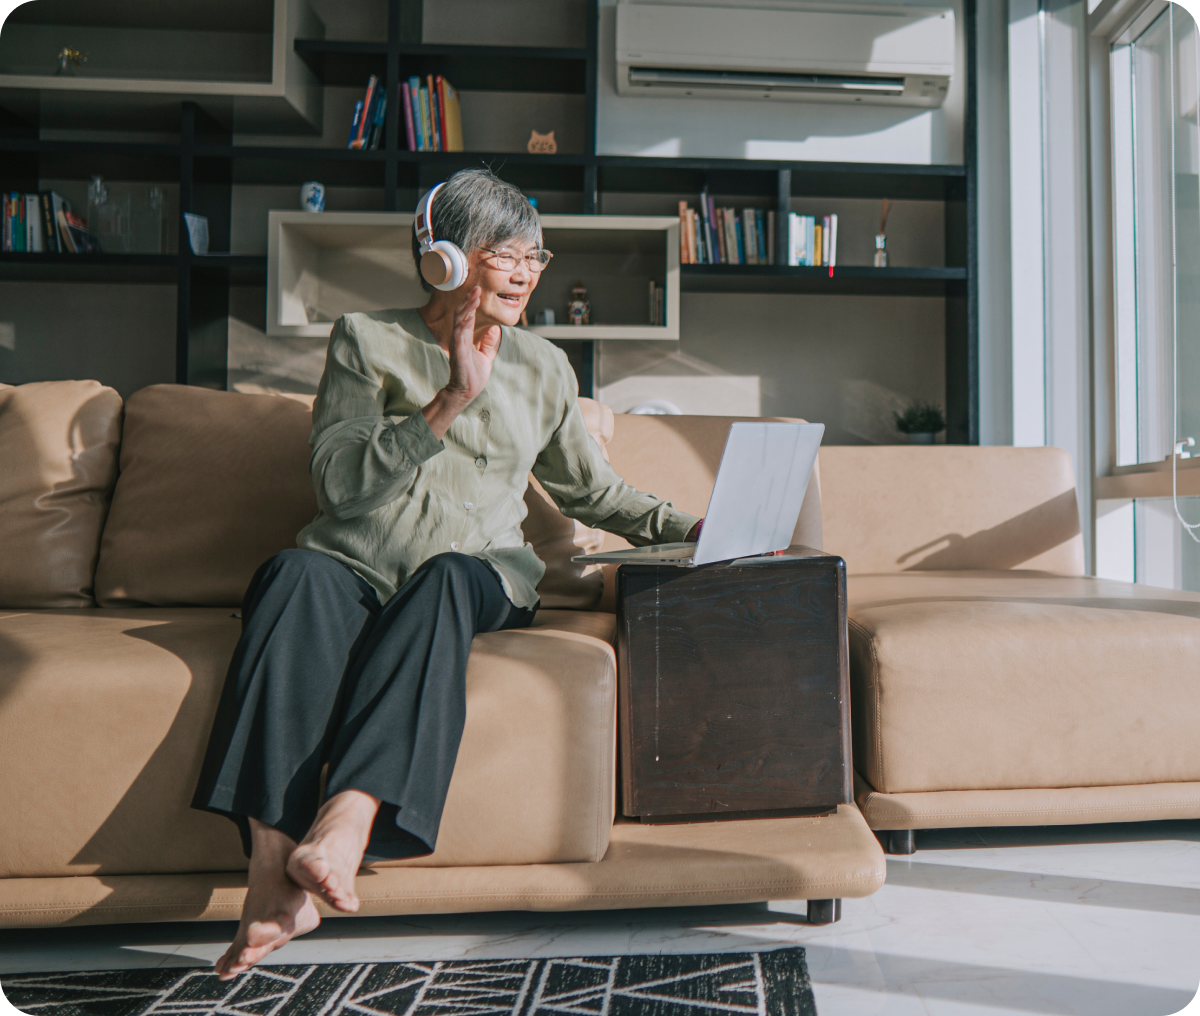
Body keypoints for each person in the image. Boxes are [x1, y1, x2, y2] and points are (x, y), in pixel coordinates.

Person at [191, 168, 701, 979]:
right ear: (445, 260)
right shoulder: (366, 338)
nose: (529, 272)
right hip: (352, 562)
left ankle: (349, 819)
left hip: (478, 573)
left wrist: (691, 528)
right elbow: (340, 486)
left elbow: (591, 490)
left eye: (536, 255)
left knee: (446, 580)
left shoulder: (544, 368)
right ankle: (271, 872)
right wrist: (451, 400)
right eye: (508, 254)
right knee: (294, 575)